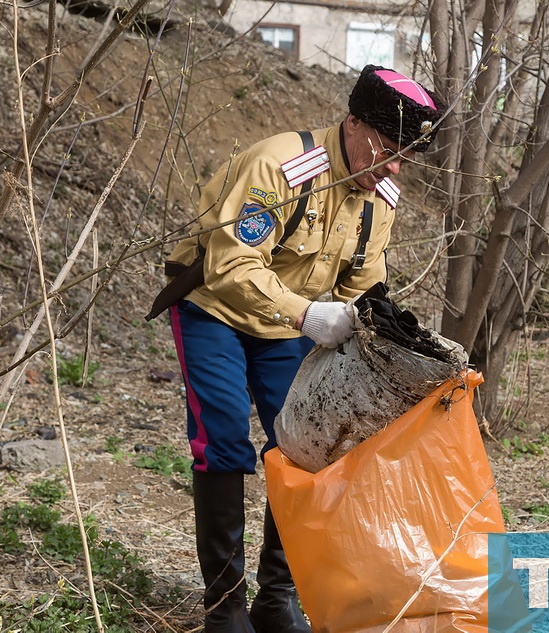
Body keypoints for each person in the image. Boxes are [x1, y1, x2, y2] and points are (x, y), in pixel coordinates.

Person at [153, 65, 444, 633]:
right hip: (215, 307)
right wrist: (308, 313)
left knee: (306, 447)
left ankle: (276, 598)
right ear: (353, 124)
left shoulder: (380, 197)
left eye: (405, 157)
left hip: (289, 328)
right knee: (224, 441)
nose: (393, 168)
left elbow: (364, 285)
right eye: (386, 150)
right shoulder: (284, 166)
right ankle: (225, 607)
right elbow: (232, 263)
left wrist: (385, 338)